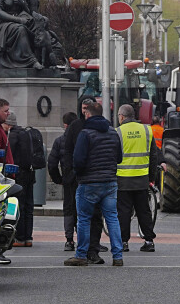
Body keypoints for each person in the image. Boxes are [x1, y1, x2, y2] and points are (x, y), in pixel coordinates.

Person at [65, 99, 124, 267]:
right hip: (110, 182)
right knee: (112, 218)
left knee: (84, 219)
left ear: (88, 114)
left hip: (89, 182)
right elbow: (119, 158)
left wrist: (78, 174)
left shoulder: (85, 134)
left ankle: (81, 255)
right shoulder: (113, 133)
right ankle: (118, 256)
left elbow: (78, 159)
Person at [116, 104, 161, 252]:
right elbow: (153, 157)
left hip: (123, 180)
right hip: (142, 179)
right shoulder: (147, 130)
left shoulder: (118, 132)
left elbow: (113, 156)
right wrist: (151, 178)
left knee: (124, 212)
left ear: (122, 116)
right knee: (144, 210)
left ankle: (124, 242)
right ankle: (149, 241)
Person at [49, 111, 79, 251]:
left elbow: (52, 163)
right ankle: (84, 238)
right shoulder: (82, 138)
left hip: (68, 179)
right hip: (82, 178)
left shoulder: (60, 140)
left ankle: (69, 240)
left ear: (65, 125)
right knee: (82, 209)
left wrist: (58, 179)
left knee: (68, 209)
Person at [7, 112, 37, 247]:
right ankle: (28, 237)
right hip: (30, 173)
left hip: (18, 174)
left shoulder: (12, 136)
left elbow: (10, 156)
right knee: (29, 206)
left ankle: (19, 237)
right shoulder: (26, 133)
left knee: (18, 205)